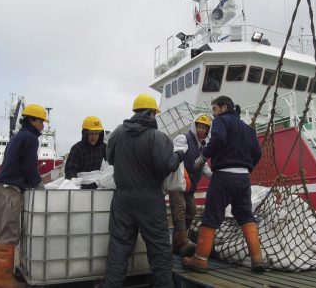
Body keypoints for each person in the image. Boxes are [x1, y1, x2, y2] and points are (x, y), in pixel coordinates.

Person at [102, 93, 185, 288]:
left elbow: (110, 159)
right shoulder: (157, 137)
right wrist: (179, 155)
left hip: (122, 199)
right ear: (151, 114)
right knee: (159, 249)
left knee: (119, 247)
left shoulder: (117, 134)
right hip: (150, 199)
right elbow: (165, 165)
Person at [182, 96, 266, 273]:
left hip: (224, 176)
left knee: (212, 216)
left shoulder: (220, 120)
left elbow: (218, 138)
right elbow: (257, 152)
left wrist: (203, 157)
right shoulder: (247, 128)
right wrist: (246, 167)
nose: (213, 113)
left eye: (214, 109)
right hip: (243, 178)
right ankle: (257, 259)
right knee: (245, 216)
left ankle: (200, 260)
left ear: (224, 107)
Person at [0, 104, 49, 288]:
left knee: (3, 234)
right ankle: (2, 280)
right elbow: (29, 167)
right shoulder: (30, 139)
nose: (43, 125)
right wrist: (38, 186)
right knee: (8, 235)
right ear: (32, 119)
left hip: (2, 189)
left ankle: (1, 277)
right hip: (10, 192)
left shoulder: (18, 137)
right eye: (41, 121)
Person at [169, 114, 212, 257]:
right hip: (178, 181)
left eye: (205, 128)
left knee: (192, 211)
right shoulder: (183, 138)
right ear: (194, 126)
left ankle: (176, 245)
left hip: (190, 185)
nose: (201, 130)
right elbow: (176, 154)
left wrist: (213, 176)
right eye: (199, 126)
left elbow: (204, 165)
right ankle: (183, 242)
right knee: (180, 209)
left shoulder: (202, 145)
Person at [65, 116, 106, 188]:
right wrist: (78, 185)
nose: (94, 137)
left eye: (96, 134)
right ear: (85, 134)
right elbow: (70, 170)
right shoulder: (77, 148)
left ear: (100, 134)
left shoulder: (103, 147)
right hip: (80, 186)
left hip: (97, 185)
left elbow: (111, 165)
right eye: (91, 134)